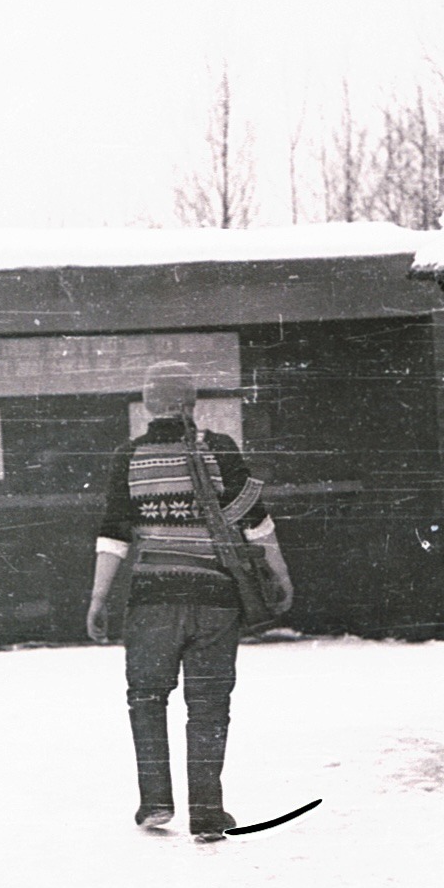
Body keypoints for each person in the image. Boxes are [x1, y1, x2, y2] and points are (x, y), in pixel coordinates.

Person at [86, 360, 292, 842]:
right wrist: (280, 574)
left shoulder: (129, 457)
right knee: (209, 704)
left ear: (148, 405)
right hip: (216, 598)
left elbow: (113, 535)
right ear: (192, 402)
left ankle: (155, 801)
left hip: (152, 599)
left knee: (146, 696)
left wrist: (98, 598)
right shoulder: (220, 450)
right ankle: (207, 811)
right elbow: (255, 522)